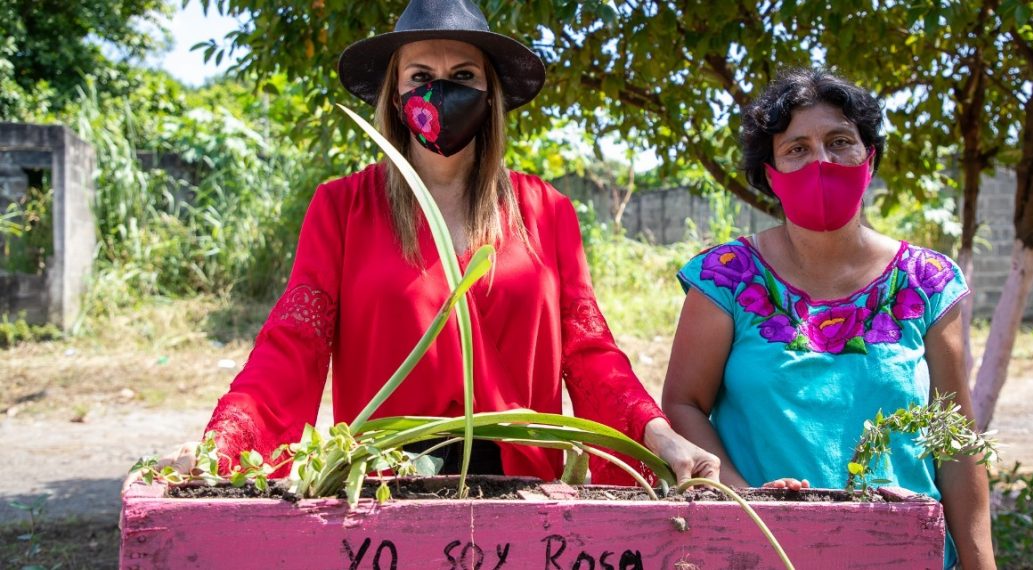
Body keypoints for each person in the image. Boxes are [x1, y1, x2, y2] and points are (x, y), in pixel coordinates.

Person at [140, 0, 718, 487]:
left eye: (463, 76)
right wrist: (222, 446)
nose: (441, 90)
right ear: (396, 96)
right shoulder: (341, 208)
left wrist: (653, 433)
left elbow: (590, 354)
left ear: (490, 94)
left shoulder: (547, 212)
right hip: (385, 488)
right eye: (420, 76)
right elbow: (291, 349)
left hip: (517, 491)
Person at [661, 68, 994, 569]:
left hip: (907, 553)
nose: (821, 160)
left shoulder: (926, 281)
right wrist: (745, 499)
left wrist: (980, 562)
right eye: (796, 148)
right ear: (771, 174)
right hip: (767, 551)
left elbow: (956, 440)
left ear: (870, 158)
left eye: (840, 141)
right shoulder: (726, 277)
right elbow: (684, 404)